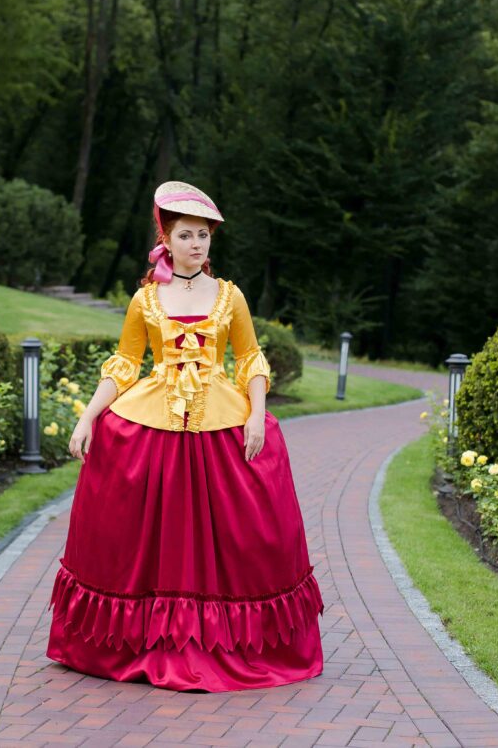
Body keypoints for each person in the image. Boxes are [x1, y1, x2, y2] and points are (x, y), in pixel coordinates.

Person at [45, 180, 325, 692]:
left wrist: (257, 415)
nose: (197, 244)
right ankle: (142, 639)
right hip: (155, 426)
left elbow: (251, 360)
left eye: (204, 236)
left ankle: (228, 642)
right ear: (167, 241)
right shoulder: (146, 299)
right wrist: (88, 417)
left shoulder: (231, 297)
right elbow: (126, 364)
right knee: (147, 536)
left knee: (241, 532)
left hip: (220, 422)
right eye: (187, 235)